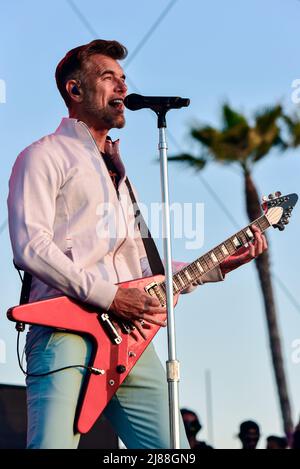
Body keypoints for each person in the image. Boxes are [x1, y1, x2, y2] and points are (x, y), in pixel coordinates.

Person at [7, 39, 268, 449]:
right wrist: (110, 297)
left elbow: (143, 277)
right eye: (108, 78)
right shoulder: (43, 156)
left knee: (174, 451)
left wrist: (225, 263)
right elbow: (31, 246)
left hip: (127, 340)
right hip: (65, 330)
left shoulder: (119, 176)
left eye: (124, 79)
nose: (123, 89)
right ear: (75, 90)